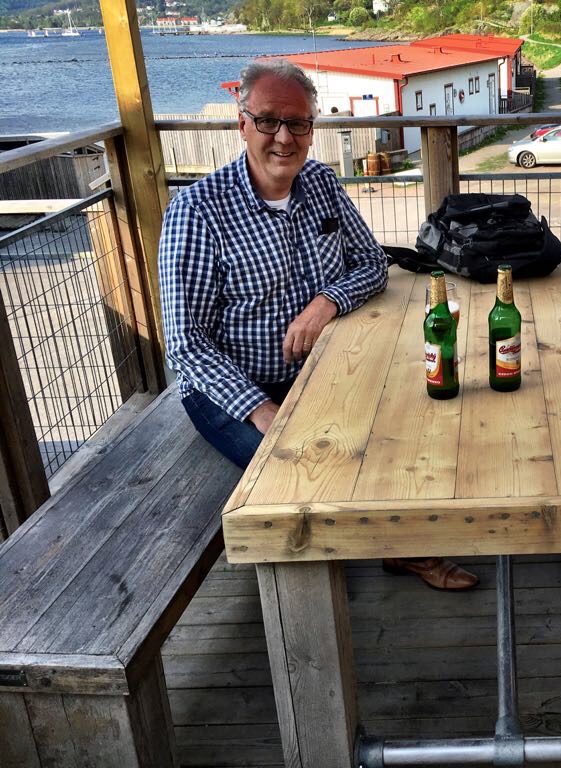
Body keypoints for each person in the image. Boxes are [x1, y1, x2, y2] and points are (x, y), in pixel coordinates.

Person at [158, 59, 477, 591]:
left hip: (320, 371)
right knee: (304, 468)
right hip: (232, 391)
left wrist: (324, 303)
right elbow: (186, 344)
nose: (284, 137)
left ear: (311, 128)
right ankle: (391, 556)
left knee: (413, 420)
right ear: (242, 124)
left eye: (298, 123)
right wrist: (260, 409)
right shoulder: (198, 210)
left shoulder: (322, 183)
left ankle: (399, 541)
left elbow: (371, 263)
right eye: (268, 121)